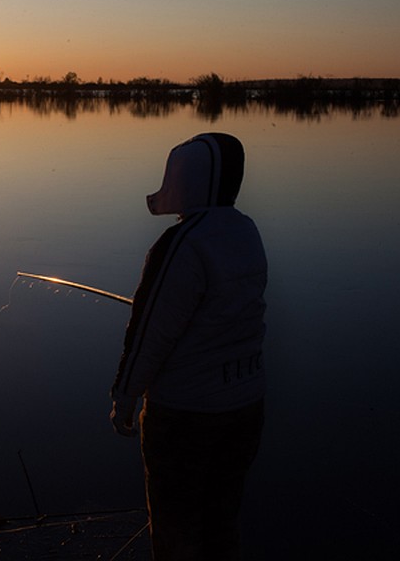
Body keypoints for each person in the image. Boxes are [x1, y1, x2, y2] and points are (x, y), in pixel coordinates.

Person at [111, 132, 267, 560]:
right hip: (246, 409)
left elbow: (149, 334)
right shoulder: (246, 231)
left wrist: (124, 396)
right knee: (221, 523)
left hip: (186, 418)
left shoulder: (181, 245)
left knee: (176, 532)